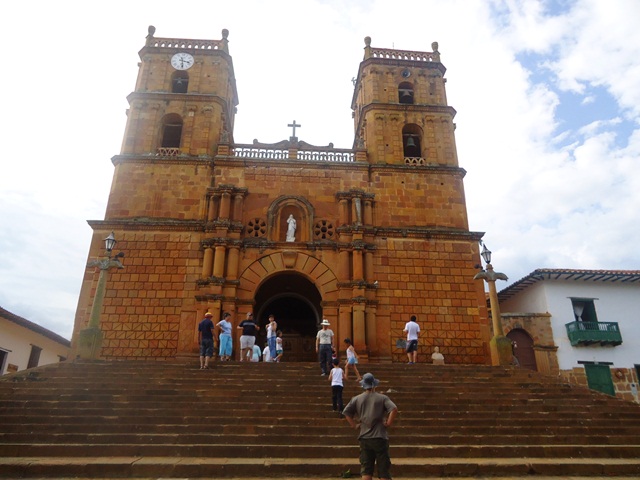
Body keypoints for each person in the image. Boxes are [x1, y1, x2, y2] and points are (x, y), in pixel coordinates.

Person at [343, 373, 398, 480]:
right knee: (383, 470)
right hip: (380, 436)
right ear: (374, 385)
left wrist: (354, 425)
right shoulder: (382, 398)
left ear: (363, 385)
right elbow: (394, 409)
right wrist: (388, 423)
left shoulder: (357, 399)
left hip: (364, 437)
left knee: (366, 470)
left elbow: (346, 413)